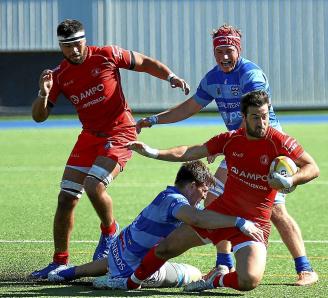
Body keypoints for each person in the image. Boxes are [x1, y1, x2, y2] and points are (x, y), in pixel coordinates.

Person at [135, 24, 318, 286]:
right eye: (219, 51)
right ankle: (223, 264)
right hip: (239, 146)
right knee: (214, 199)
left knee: (275, 211)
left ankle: (306, 269)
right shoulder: (213, 78)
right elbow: (189, 107)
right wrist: (154, 120)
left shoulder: (250, 74)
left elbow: (253, 114)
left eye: (229, 51)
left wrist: (224, 147)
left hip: (267, 149)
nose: (224, 57)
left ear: (238, 50)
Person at [29, 19, 191, 279]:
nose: (74, 50)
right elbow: (39, 117)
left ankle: (109, 232)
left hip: (121, 132)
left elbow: (144, 62)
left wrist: (170, 76)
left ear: (85, 40)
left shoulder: (106, 54)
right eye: (67, 46)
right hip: (89, 137)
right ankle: (59, 261)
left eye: (77, 43)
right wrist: (43, 93)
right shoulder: (59, 75)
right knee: (66, 198)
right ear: (60, 47)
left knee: (94, 185)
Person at [117, 90, 320, 292]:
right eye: (255, 117)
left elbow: (312, 168)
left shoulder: (279, 141)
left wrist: (289, 180)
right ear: (244, 117)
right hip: (220, 214)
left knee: (249, 280)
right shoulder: (231, 139)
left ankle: (216, 280)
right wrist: (152, 152)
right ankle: (129, 283)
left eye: (265, 116)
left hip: (255, 223)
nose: (262, 122)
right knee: (165, 249)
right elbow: (190, 151)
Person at [46, 160, 263, 290]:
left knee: (109, 262)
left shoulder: (166, 194)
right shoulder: (177, 203)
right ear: (191, 186)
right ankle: (118, 282)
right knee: (195, 273)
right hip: (137, 269)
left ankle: (65, 273)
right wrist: (238, 221)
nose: (204, 197)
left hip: (119, 252)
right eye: (203, 191)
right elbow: (199, 220)